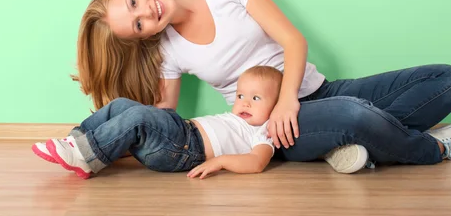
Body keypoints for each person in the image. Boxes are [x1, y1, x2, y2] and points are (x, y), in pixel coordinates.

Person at [35, 0, 451, 174]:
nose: (146, 13)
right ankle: (432, 150)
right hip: (272, 126)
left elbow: (294, 42)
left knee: (448, 80)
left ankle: (347, 147)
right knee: (355, 116)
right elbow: (166, 112)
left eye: (135, 2)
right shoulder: (168, 49)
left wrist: (290, 98)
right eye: (137, 25)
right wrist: (131, 130)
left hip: (313, 93)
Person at [36, 65, 282, 179]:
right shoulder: (237, 117)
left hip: (183, 150)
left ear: (276, 105)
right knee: (122, 104)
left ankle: (87, 157)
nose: (245, 103)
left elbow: (256, 162)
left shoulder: (264, 131)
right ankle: (77, 140)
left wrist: (221, 162)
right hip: (181, 132)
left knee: (139, 118)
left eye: (256, 98)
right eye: (241, 96)